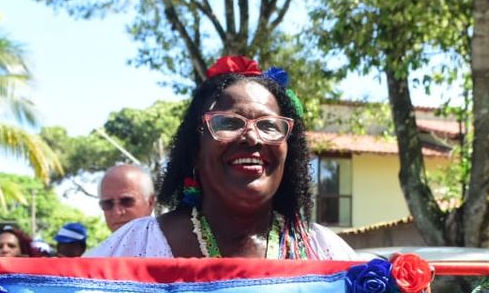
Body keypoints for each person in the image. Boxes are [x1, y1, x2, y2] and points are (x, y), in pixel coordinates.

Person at [93, 56, 353, 260]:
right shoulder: (137, 246)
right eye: (229, 123)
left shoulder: (323, 250)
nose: (252, 137)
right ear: (195, 149)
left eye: (269, 126)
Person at [99, 164, 157, 233]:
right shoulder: (104, 244)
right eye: (107, 204)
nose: (117, 212)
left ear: (150, 203)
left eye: (126, 201)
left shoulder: (169, 242)